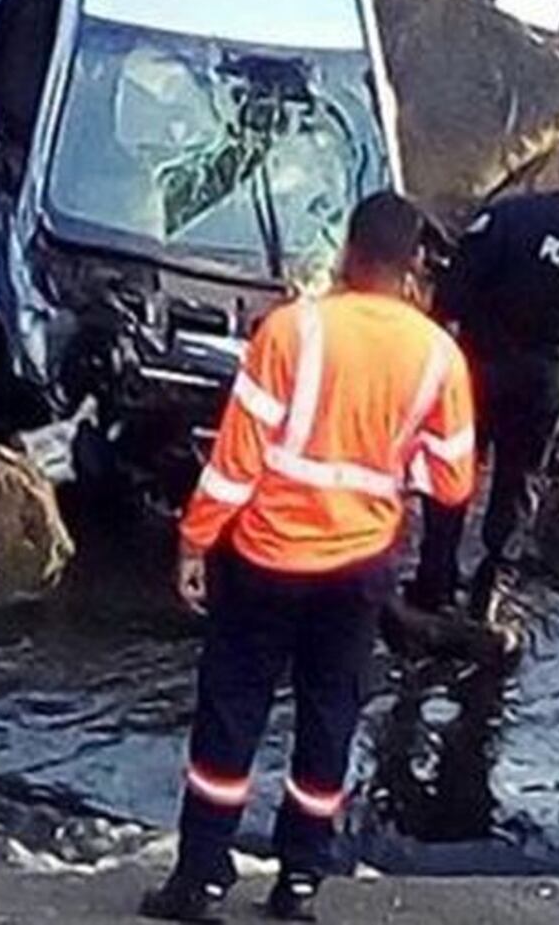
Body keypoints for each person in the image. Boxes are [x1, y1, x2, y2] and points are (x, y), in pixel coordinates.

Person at [141, 191, 476, 923]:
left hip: (265, 557)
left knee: (232, 710)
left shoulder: (291, 331)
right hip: (359, 568)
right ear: (414, 263)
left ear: (349, 252)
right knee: (330, 713)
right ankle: (299, 882)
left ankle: (199, 876)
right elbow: (452, 481)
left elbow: (236, 459)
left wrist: (196, 538)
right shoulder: (438, 356)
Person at [411, 139, 559, 619]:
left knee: (454, 470)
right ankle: (491, 593)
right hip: (549, 377)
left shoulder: (512, 216)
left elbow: (454, 290)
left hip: (480, 366)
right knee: (519, 482)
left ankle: (434, 584)